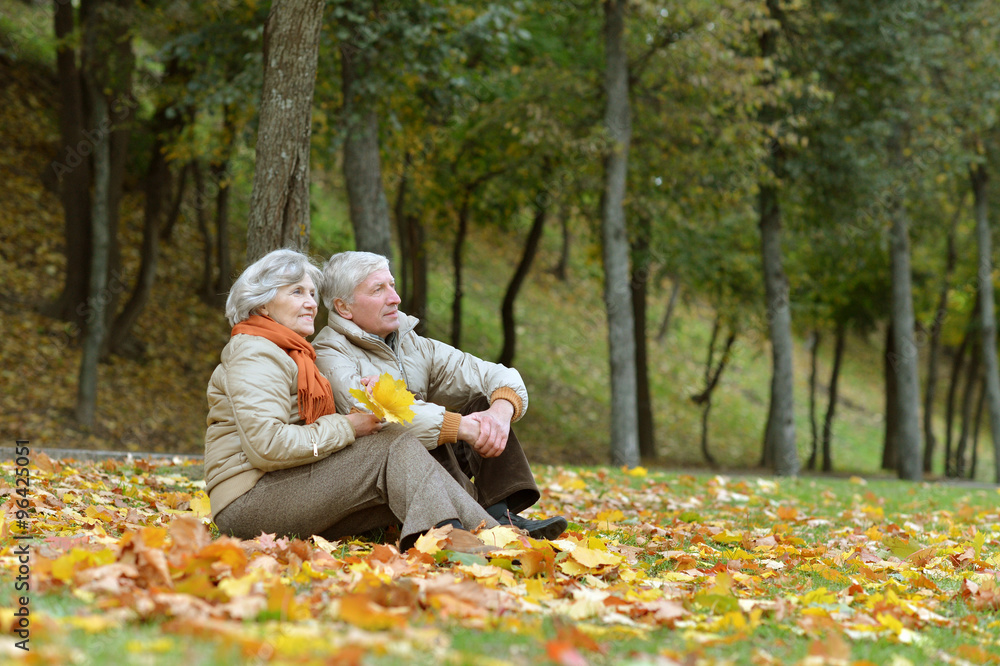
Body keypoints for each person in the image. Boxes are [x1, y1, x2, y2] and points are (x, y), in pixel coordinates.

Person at [203, 248, 499, 554]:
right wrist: (347, 427)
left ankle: (489, 535)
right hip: (249, 501)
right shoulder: (255, 353)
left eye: (312, 293)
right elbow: (268, 446)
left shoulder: (293, 354)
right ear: (263, 304)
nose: (310, 303)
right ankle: (466, 543)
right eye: (296, 292)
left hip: (284, 485)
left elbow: (308, 428)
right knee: (393, 445)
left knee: (405, 472)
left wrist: (366, 406)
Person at [312, 251, 567, 540]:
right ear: (343, 307)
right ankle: (488, 525)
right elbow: (386, 420)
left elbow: (491, 374)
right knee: (422, 429)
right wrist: (462, 427)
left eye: (392, 286)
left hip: (424, 473)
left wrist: (500, 411)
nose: (394, 298)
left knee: (484, 401)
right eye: (378, 290)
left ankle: (501, 514)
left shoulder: (411, 345)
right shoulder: (329, 353)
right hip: (378, 482)